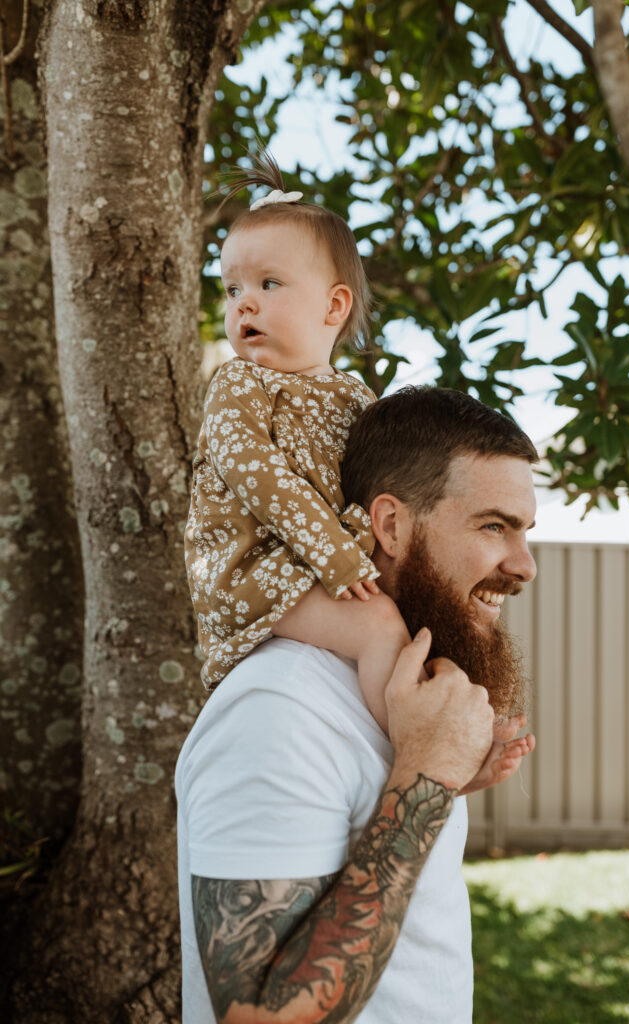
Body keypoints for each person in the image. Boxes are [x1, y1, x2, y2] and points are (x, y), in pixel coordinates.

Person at [176, 384, 539, 1024]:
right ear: (391, 525)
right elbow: (259, 1015)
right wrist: (426, 780)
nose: (524, 564)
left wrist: (443, 776)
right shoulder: (277, 711)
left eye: (524, 532)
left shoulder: (399, 694)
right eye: (493, 526)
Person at [185, 150, 413, 733]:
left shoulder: (357, 399)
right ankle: (414, 751)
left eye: (268, 283)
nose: (244, 304)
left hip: (325, 563)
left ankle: (458, 723)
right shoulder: (241, 381)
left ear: (334, 305)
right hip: (254, 570)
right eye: (232, 288)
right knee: (380, 626)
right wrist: (335, 552)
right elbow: (255, 472)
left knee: (425, 610)